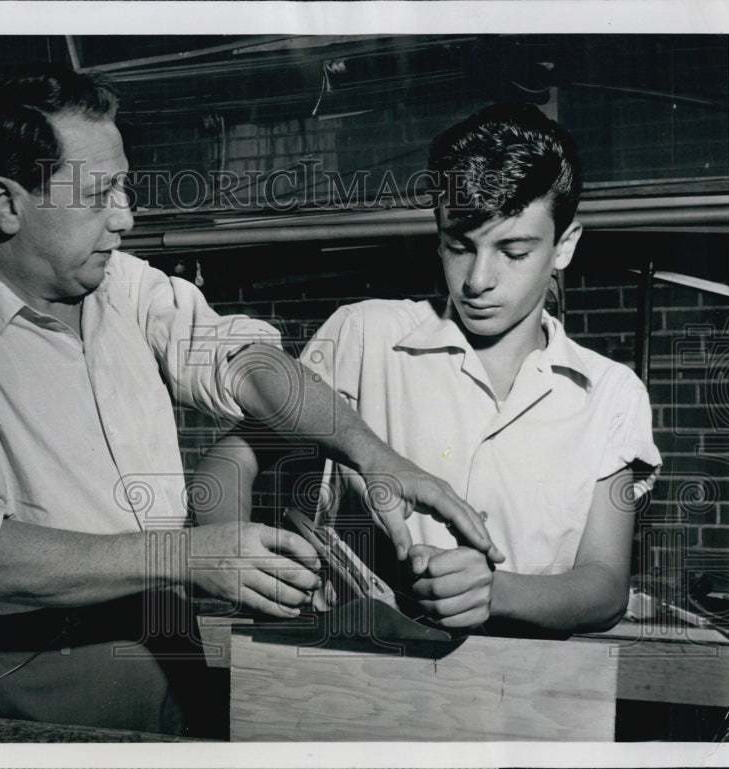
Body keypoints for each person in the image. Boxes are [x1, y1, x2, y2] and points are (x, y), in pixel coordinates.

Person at [0, 63, 500, 736]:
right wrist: (187, 557)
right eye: (99, 194)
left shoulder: (122, 288)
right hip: (36, 683)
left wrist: (371, 453)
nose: (125, 217)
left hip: (173, 651)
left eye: (124, 186)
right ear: (6, 202)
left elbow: (244, 363)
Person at [198, 103, 661, 635]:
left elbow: (604, 587)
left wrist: (497, 592)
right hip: (352, 682)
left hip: (528, 696)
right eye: (458, 246)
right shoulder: (365, 336)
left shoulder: (610, 393)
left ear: (564, 246)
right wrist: (238, 574)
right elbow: (225, 466)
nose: (478, 280)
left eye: (513, 251)